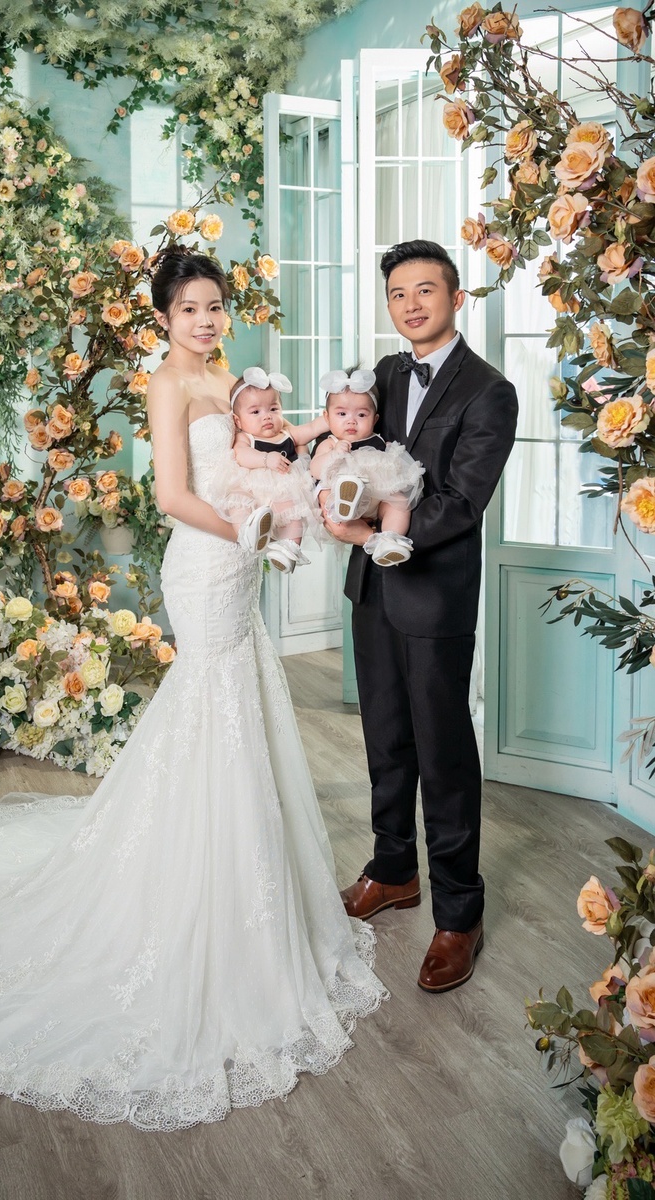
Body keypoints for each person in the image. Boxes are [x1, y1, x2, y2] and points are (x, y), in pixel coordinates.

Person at [0, 246, 386, 1129]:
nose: (206, 321)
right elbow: (173, 495)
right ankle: (193, 886)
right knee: (210, 705)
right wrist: (250, 533)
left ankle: (242, 884)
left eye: (215, 306)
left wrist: (302, 488)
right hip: (206, 562)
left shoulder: (234, 378)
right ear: (164, 318)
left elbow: (267, 456)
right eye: (190, 310)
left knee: (238, 703)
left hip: (242, 564)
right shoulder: (167, 384)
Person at [326, 239, 518, 993]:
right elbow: (350, 442)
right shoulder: (382, 373)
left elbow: (462, 502)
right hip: (372, 593)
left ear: (456, 298)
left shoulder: (490, 391)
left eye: (425, 290)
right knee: (384, 738)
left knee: (442, 751)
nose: (410, 304)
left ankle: (459, 914)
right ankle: (393, 870)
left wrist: (375, 532)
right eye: (398, 293)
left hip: (434, 593)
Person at [206, 366, 327, 573]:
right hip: (252, 488)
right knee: (238, 503)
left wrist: (332, 418)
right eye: (256, 412)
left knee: (295, 513)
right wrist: (265, 459)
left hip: (282, 490)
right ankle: (248, 532)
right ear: (237, 420)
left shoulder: (287, 434)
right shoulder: (246, 437)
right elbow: (240, 454)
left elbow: (312, 429)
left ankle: (288, 550)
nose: (267, 417)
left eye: (273, 409)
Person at [310, 367, 424, 567]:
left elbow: (393, 467)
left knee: (399, 502)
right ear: (326, 418)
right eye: (342, 414)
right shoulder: (330, 443)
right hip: (340, 497)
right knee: (331, 491)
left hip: (376, 496)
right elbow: (315, 469)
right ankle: (344, 505)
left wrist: (390, 455)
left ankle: (390, 539)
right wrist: (334, 454)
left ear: (375, 419)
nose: (351, 421)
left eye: (361, 415)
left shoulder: (379, 442)